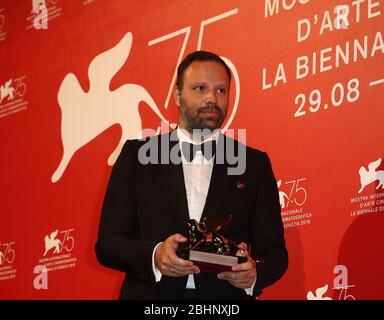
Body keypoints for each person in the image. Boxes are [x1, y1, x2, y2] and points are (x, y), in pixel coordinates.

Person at [95, 50, 288, 300]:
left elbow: (275, 253)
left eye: (221, 90)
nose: (212, 98)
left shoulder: (254, 164)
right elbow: (108, 243)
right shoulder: (137, 155)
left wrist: (254, 273)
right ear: (177, 95)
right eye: (200, 88)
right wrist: (155, 255)